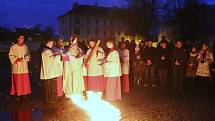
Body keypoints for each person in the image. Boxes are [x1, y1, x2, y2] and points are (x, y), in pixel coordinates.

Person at [9, 34, 31, 100]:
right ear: (17, 38)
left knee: (24, 80)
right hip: (17, 67)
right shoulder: (13, 47)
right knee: (18, 81)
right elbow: (10, 56)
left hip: (24, 66)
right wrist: (17, 59)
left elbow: (28, 54)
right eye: (21, 38)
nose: (22, 39)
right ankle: (18, 94)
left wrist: (28, 57)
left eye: (23, 38)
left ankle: (24, 93)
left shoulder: (25, 47)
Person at [40, 39, 61, 104]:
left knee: (49, 85)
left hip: (49, 70)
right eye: (51, 43)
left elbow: (51, 57)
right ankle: (50, 99)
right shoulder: (47, 50)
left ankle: (49, 99)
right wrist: (58, 55)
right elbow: (53, 59)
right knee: (50, 86)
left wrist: (55, 55)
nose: (52, 45)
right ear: (48, 43)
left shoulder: (45, 50)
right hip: (49, 71)